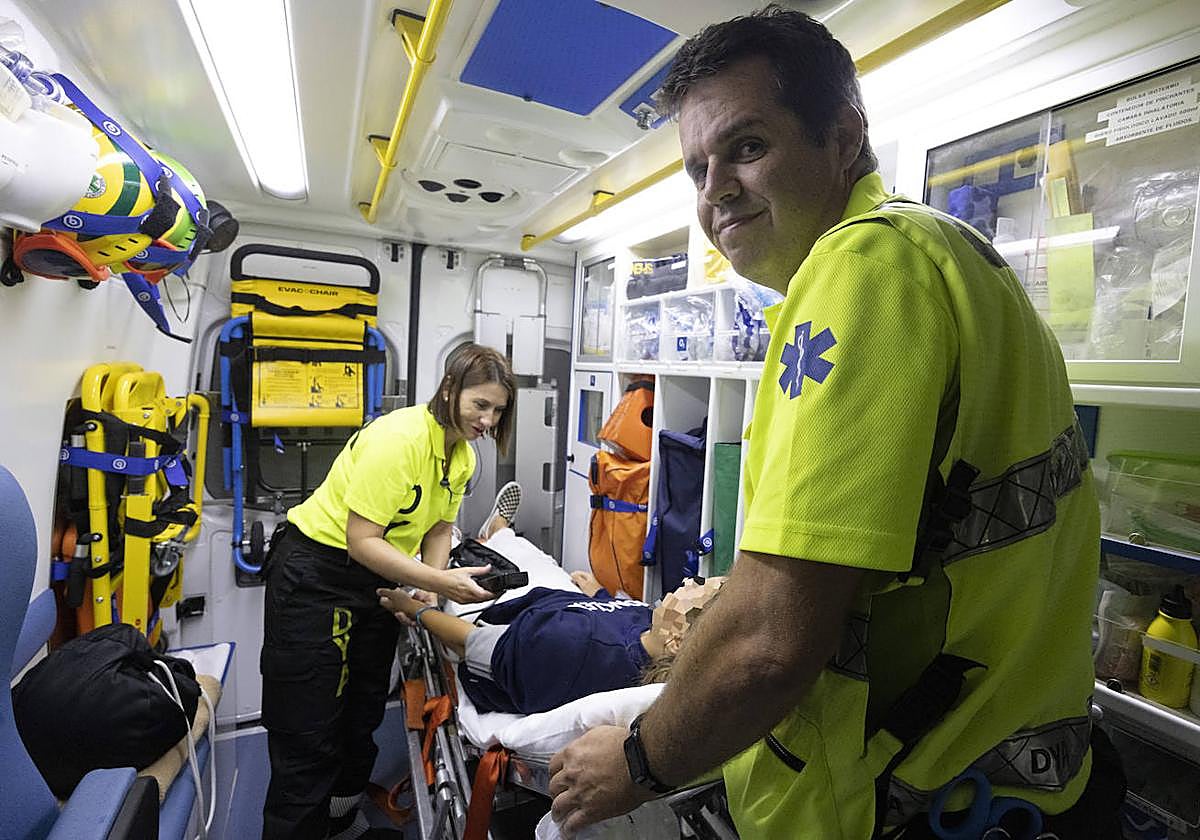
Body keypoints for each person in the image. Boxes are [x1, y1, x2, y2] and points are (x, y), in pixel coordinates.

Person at [547, 7, 1123, 839]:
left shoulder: (863, 269)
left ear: (842, 137)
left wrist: (638, 760)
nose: (713, 190)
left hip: (910, 799)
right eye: (697, 166)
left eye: (746, 147)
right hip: (1018, 785)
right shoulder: (950, 256)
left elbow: (771, 646)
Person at [260, 343, 515, 840]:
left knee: (362, 714)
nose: (488, 420)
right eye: (479, 405)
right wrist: (441, 582)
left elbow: (440, 530)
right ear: (449, 389)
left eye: (498, 410)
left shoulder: (459, 455)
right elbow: (361, 541)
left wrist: (428, 598)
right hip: (317, 574)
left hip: (374, 581)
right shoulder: (399, 440)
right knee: (309, 729)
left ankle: (339, 823)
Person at [378, 559, 725, 714]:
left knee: (486, 567)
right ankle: (494, 533)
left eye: (697, 590)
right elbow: (625, 615)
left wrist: (415, 609)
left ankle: (496, 533)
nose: (687, 583)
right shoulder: (649, 623)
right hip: (553, 611)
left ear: (677, 643)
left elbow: (473, 644)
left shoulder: (576, 649)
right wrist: (600, 594)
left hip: (506, 632)